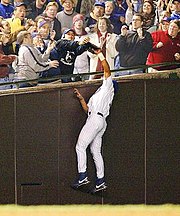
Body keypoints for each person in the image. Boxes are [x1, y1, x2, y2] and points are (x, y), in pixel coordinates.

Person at [72, 49, 118, 193]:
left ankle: (82, 175)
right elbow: (88, 111)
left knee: (80, 147)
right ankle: (100, 180)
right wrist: (81, 99)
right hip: (99, 120)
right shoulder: (99, 95)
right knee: (95, 152)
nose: (105, 78)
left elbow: (107, 69)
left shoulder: (108, 87)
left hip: (96, 120)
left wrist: (99, 54)